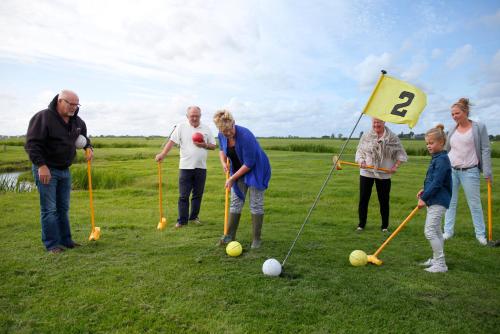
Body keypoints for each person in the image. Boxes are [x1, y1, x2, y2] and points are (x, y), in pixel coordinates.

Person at [25, 90, 93, 254]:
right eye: (71, 104)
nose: (74, 108)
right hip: (46, 169)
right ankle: (52, 245)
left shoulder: (77, 121)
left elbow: (83, 137)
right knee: (49, 209)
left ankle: (66, 241)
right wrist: (41, 165)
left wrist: (88, 147)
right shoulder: (43, 117)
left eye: (77, 105)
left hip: (65, 170)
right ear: (60, 101)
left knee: (63, 208)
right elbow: (32, 144)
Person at [213, 110, 271, 249]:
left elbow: (249, 164)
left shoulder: (246, 136)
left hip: (256, 169)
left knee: (256, 203)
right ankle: (229, 236)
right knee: (235, 201)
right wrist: (223, 163)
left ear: (234, 123)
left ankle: (256, 240)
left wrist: (232, 178)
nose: (229, 133)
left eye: (230, 129)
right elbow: (222, 149)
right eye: (225, 132)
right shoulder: (221, 134)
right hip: (238, 169)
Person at [155, 106, 216, 228]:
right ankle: (182, 221)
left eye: (197, 115)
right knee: (183, 195)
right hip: (185, 167)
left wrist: (204, 144)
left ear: (200, 115)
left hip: (201, 167)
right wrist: (162, 154)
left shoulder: (206, 128)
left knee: (197, 194)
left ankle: (194, 217)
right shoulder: (181, 127)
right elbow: (171, 142)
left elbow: (214, 146)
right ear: (187, 116)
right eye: (192, 116)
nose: (194, 118)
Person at [443, 98, 492, 245]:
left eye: (457, 113)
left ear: (466, 112)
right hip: (452, 170)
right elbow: (447, 149)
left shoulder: (479, 127)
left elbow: (485, 149)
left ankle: (480, 235)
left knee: (474, 204)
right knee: (450, 202)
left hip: (470, 171)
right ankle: (448, 232)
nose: (454, 116)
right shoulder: (452, 129)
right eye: (452, 114)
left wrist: (487, 172)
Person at [355, 118, 407, 232]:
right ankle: (361, 225)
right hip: (366, 171)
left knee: (384, 200)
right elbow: (359, 151)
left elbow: (401, 154)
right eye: (374, 122)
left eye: (379, 122)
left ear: (384, 122)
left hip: (384, 173)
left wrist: (395, 166)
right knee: (363, 199)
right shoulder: (366, 135)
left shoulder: (392, 137)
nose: (376, 124)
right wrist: (361, 161)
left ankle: (384, 226)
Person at [417, 125, 452, 273]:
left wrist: (424, 198)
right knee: (437, 230)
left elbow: (438, 183)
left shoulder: (442, 159)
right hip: (434, 199)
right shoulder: (437, 158)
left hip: (439, 200)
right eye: (427, 143)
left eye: (431, 143)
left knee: (430, 230)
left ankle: (441, 264)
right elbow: (434, 180)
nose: (428, 146)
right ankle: (436, 259)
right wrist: (425, 190)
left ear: (441, 143)